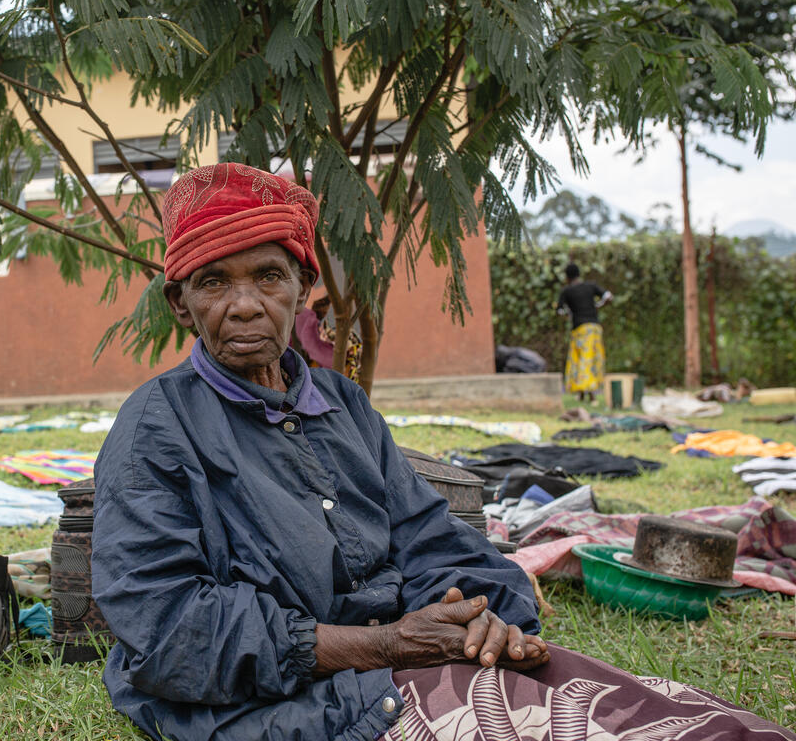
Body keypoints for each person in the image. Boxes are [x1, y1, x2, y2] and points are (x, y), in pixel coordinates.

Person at [91, 163, 794, 741]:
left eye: (268, 277)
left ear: (303, 289)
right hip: (283, 708)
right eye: (214, 282)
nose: (243, 305)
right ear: (181, 305)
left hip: (403, 661)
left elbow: (430, 537)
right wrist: (390, 645)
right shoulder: (155, 429)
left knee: (683, 721)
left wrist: (480, 621)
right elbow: (167, 630)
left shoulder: (342, 405)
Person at [556, 262, 612, 402]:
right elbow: (608, 296)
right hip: (594, 328)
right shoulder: (590, 286)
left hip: (579, 329)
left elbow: (559, 310)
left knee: (580, 361)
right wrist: (599, 305)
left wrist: (568, 314)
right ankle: (586, 394)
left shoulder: (567, 291)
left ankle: (589, 395)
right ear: (579, 275)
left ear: (567, 277)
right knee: (592, 360)